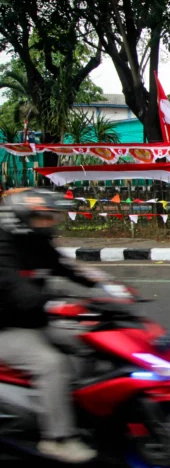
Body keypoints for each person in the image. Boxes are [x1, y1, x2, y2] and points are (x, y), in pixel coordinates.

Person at [0, 188, 99, 463]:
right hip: (7, 328)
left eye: (51, 217)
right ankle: (58, 439)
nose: (50, 222)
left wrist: (105, 284)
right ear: (21, 219)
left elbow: (65, 267)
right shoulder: (3, 246)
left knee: (89, 338)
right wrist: (52, 303)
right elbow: (14, 288)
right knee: (50, 364)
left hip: (33, 319)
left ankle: (79, 412)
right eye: (43, 217)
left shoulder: (35, 242)